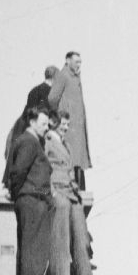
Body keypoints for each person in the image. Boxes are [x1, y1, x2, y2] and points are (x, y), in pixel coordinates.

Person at [5, 106, 54, 275]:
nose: (47, 128)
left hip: (33, 197)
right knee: (34, 243)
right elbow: (18, 172)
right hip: (31, 200)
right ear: (32, 122)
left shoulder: (31, 141)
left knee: (31, 242)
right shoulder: (29, 142)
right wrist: (20, 193)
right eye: (43, 124)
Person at [46, 51, 90, 187]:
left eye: (80, 62)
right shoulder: (63, 75)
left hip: (77, 128)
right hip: (69, 127)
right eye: (76, 61)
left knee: (78, 162)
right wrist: (62, 113)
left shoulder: (75, 77)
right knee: (72, 158)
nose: (79, 64)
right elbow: (52, 98)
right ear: (67, 61)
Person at [41, 111, 74, 275]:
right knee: (60, 239)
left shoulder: (65, 144)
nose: (66, 128)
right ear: (55, 123)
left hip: (69, 192)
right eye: (63, 124)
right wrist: (51, 190)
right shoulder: (48, 140)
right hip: (58, 191)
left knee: (73, 239)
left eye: (68, 125)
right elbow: (43, 166)